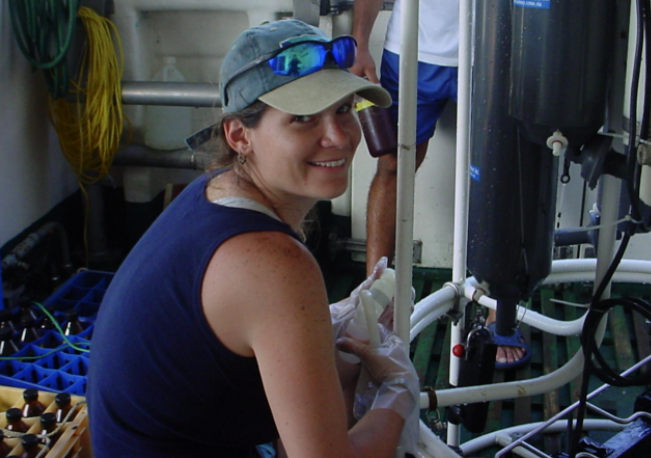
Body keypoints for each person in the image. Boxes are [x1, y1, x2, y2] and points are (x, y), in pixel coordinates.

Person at [87, 19, 419, 458]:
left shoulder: (212, 190)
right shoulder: (274, 262)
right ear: (239, 135)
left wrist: (325, 335)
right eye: (302, 118)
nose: (339, 136)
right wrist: (397, 392)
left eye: (343, 108)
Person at [350, 0, 528, 369]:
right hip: (412, 50)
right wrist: (360, 44)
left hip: (495, 48)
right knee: (393, 164)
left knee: (504, 171)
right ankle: (374, 298)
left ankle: (501, 310)